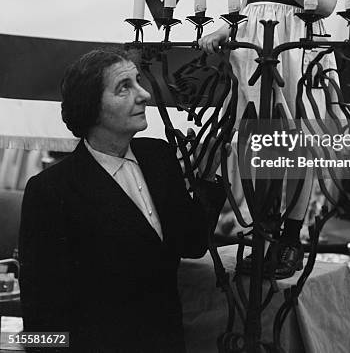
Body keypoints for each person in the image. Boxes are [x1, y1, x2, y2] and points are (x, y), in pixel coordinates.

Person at [19, 48, 225, 353]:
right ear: (92, 107)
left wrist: (207, 179)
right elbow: (40, 313)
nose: (143, 95)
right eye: (124, 87)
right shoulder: (50, 191)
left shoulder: (158, 157)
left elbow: (192, 243)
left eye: (137, 81)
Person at [199, 0, 346, 278]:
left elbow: (323, 5)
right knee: (253, 141)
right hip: (253, 49)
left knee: (297, 143)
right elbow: (242, 6)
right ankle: (261, 229)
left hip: (294, 48)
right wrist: (221, 28)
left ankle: (289, 239)